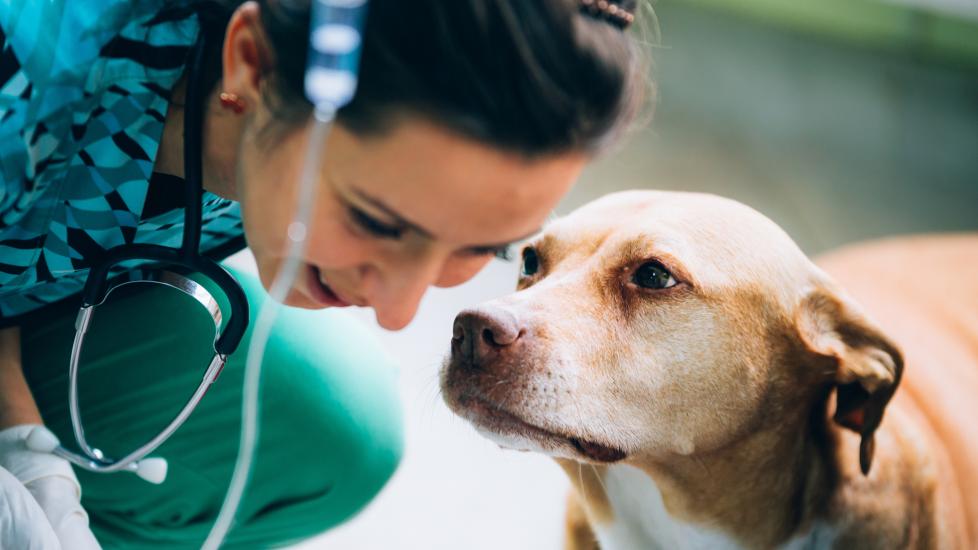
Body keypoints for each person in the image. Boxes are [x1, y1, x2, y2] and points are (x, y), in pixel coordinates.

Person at [0, 0, 647, 547]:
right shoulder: (27, 73)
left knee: (331, 427)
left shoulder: (276, 114)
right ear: (250, 63)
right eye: (376, 220)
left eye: (488, 249)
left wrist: (20, 439)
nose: (399, 310)